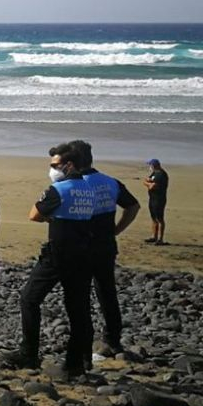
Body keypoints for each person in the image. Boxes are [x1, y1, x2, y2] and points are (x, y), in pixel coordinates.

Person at [1, 142, 96, 379]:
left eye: (55, 165)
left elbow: (34, 214)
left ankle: (29, 353)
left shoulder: (59, 190)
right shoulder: (89, 189)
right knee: (78, 310)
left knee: (29, 299)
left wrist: (51, 217)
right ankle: (76, 362)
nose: (52, 169)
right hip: (83, 254)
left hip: (58, 255)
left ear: (69, 165)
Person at [73, 141, 139, 359]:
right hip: (106, 245)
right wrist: (117, 230)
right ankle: (112, 338)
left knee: (80, 295)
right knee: (107, 292)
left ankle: (83, 340)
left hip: (82, 247)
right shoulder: (110, 182)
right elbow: (133, 206)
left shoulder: (75, 185)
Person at [143, 158, 169, 245]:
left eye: (150, 165)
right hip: (152, 198)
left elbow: (152, 186)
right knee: (153, 218)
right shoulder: (155, 173)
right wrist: (149, 182)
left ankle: (160, 239)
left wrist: (149, 183)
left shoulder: (161, 175)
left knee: (160, 219)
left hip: (159, 199)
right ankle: (154, 236)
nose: (150, 167)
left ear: (153, 166)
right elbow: (146, 180)